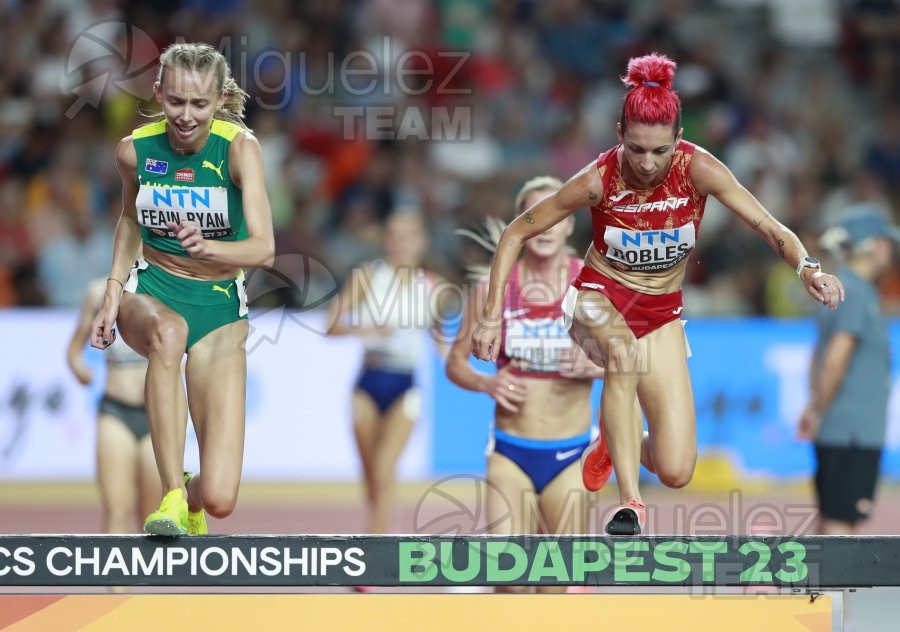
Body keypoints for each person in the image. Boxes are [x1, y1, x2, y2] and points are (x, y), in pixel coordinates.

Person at [470, 52, 845, 535]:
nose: (647, 164)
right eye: (637, 149)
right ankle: (629, 504)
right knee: (621, 353)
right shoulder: (597, 180)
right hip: (596, 299)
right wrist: (489, 314)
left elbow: (768, 226)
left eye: (660, 152)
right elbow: (515, 233)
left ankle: (612, 440)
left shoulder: (700, 170)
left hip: (662, 315)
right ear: (619, 133)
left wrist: (808, 269)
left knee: (676, 469)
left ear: (679, 138)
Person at [90, 42, 275, 536]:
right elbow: (129, 218)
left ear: (217, 101)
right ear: (158, 94)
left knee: (219, 499)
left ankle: (190, 493)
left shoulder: (240, 149)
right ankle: (171, 493)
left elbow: (263, 249)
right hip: (153, 291)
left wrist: (210, 249)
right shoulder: (134, 150)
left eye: (198, 104)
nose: (185, 116)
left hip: (219, 309)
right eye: (175, 102)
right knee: (167, 335)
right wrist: (113, 292)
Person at [447, 176, 603, 593]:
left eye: (557, 216)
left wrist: (594, 366)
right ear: (523, 225)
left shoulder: (590, 287)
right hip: (510, 452)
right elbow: (455, 365)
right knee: (509, 578)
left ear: (570, 224)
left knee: (555, 586)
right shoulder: (492, 291)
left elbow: (634, 362)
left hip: (571, 455)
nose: (547, 227)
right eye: (537, 216)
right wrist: (488, 383)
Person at [327, 212, 448, 543]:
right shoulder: (369, 276)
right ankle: (384, 522)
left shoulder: (432, 286)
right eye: (393, 235)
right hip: (368, 382)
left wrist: (458, 365)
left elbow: (440, 339)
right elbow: (331, 325)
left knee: (384, 468)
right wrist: (368, 329)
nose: (400, 243)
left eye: (407, 235)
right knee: (371, 476)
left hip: (405, 386)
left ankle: (372, 550)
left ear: (420, 242)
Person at [798, 206, 898, 535]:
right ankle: (831, 590)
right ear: (874, 245)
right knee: (841, 524)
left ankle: (820, 588)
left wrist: (815, 406)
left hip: (842, 429)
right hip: (853, 432)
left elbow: (820, 355)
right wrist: (818, 408)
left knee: (833, 518)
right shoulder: (856, 293)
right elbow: (834, 359)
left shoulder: (840, 288)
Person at [67, 278, 157, 537]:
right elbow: (74, 350)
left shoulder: (166, 286)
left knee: (151, 516)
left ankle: (145, 578)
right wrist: (80, 369)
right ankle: (117, 579)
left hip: (156, 417)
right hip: (116, 411)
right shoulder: (98, 291)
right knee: (117, 510)